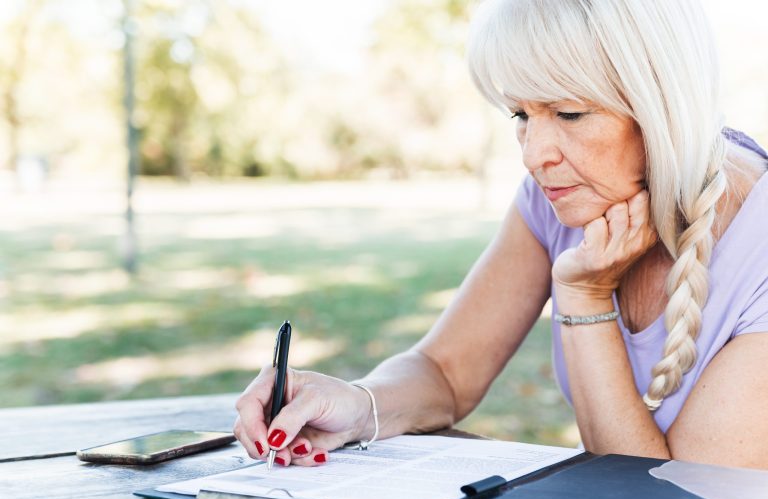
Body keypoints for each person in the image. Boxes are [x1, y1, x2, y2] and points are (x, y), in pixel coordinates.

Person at [234, 0, 768, 470]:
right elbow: (444, 370)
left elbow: (662, 498)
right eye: (521, 114)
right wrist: (358, 404)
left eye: (569, 112)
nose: (535, 155)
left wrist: (585, 299)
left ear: (663, 108)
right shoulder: (558, 196)